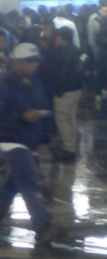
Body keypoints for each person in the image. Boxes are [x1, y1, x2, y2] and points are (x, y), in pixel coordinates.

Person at [0, 43, 52, 243]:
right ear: (17, 62)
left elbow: (44, 110)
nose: (33, 65)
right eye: (29, 61)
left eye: (36, 61)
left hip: (28, 139)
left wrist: (44, 138)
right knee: (29, 183)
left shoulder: (36, 84)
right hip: (9, 139)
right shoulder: (4, 85)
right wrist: (22, 117)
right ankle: (43, 227)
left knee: (13, 183)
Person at [42, 26, 83, 163]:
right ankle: (72, 145)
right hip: (76, 90)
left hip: (65, 91)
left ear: (62, 39)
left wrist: (58, 90)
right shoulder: (76, 49)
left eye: (59, 38)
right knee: (71, 118)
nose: (57, 40)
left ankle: (69, 149)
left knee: (62, 120)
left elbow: (61, 74)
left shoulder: (63, 52)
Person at [87, 0, 107, 101]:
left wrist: (96, 52)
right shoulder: (94, 19)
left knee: (99, 76)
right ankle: (99, 96)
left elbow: (91, 40)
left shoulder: (93, 18)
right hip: (100, 52)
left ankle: (99, 98)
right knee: (100, 76)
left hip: (99, 52)